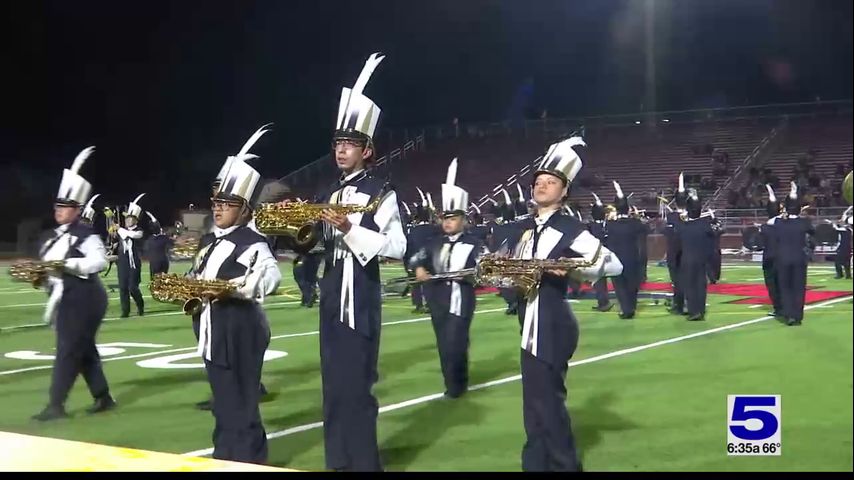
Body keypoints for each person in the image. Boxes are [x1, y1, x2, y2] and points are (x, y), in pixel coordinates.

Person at [314, 53, 406, 471]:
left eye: (348, 144)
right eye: (337, 143)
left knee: (356, 387)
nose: (340, 150)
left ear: (368, 150)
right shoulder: (330, 190)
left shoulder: (381, 191)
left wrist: (349, 228)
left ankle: (365, 464)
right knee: (332, 388)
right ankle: (338, 462)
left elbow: (398, 247)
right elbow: (319, 244)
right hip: (332, 295)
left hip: (360, 299)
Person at [511, 137, 622, 471]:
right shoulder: (523, 229)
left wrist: (572, 267)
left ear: (564, 191)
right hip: (528, 320)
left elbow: (614, 264)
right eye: (538, 182)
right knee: (533, 401)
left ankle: (563, 464)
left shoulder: (571, 228)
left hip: (553, 322)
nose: (542, 186)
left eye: (551, 182)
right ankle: (536, 462)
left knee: (547, 401)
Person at [193, 146, 281, 463]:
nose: (217, 209)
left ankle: (251, 459)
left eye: (227, 204)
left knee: (242, 402)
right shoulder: (208, 241)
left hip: (241, 331)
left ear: (244, 210)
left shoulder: (251, 242)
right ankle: (225, 454)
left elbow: (271, 277)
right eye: (216, 202)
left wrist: (229, 288)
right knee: (223, 400)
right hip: (212, 330)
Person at [32, 146, 115, 421]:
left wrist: (68, 265)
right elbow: (49, 270)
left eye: (65, 206)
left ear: (76, 209)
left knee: (68, 350)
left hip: (86, 297)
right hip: (64, 296)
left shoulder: (85, 235)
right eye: (57, 205)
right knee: (83, 347)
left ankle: (56, 404)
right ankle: (103, 397)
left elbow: (99, 262)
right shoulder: (50, 237)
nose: (59, 210)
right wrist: (40, 276)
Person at [410, 158, 485, 398]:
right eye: (445, 218)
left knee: (456, 342)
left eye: (452, 218)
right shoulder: (433, 242)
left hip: (460, 298)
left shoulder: (475, 244)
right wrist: (419, 270)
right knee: (443, 343)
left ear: (463, 219)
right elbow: (416, 260)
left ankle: (458, 384)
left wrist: (475, 275)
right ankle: (450, 382)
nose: (447, 222)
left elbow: (486, 268)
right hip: (436, 298)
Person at [773, 182, 815, 326]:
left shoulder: (778, 222)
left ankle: (789, 314)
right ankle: (797, 315)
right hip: (799, 259)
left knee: (785, 288)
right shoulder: (804, 223)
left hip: (783, 259)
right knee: (798, 288)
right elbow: (813, 232)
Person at [607, 181, 646, 319]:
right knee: (632, 284)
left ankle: (626, 309)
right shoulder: (636, 223)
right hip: (632, 257)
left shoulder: (610, 224)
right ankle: (632, 306)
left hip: (616, 258)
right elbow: (645, 230)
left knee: (620, 285)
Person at [678, 191, 715, 321]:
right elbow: (716, 231)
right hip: (701, 260)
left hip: (687, 260)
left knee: (690, 286)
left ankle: (694, 311)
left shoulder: (683, 226)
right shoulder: (705, 225)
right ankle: (701, 310)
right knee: (701, 285)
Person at [116, 193, 147, 317]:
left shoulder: (139, 231)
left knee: (132, 287)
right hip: (122, 262)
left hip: (134, 262)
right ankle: (125, 311)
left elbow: (132, 236)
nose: (127, 220)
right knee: (123, 288)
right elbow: (118, 242)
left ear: (135, 220)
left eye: (130, 218)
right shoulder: (122, 232)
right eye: (126, 218)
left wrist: (119, 229)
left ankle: (140, 305)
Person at [664, 173, 687, 315]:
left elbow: (668, 234)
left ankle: (679, 306)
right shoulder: (692, 214)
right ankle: (687, 304)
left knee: (676, 281)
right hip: (688, 253)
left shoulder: (671, 216)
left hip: (674, 254)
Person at [587, 193, 613, 312]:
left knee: (598, 282)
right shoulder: (608, 225)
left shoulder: (591, 226)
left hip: (596, 256)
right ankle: (605, 301)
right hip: (608, 255)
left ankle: (603, 303)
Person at [760, 185, 784, 317]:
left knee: (772, 286)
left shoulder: (765, 227)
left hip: (769, 259)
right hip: (783, 258)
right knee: (783, 284)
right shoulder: (785, 224)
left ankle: (778, 308)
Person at [144, 212, 174, 278]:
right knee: (163, 282)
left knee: (154, 282)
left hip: (154, 263)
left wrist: (151, 216)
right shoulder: (164, 238)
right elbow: (172, 244)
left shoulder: (150, 239)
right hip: (164, 262)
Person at [833, 211, 852, 279]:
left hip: (842, 247)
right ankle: (848, 275)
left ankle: (840, 274)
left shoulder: (844, 229)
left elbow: (836, 227)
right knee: (847, 262)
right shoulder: (849, 230)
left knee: (837, 262)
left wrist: (835, 223)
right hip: (848, 248)